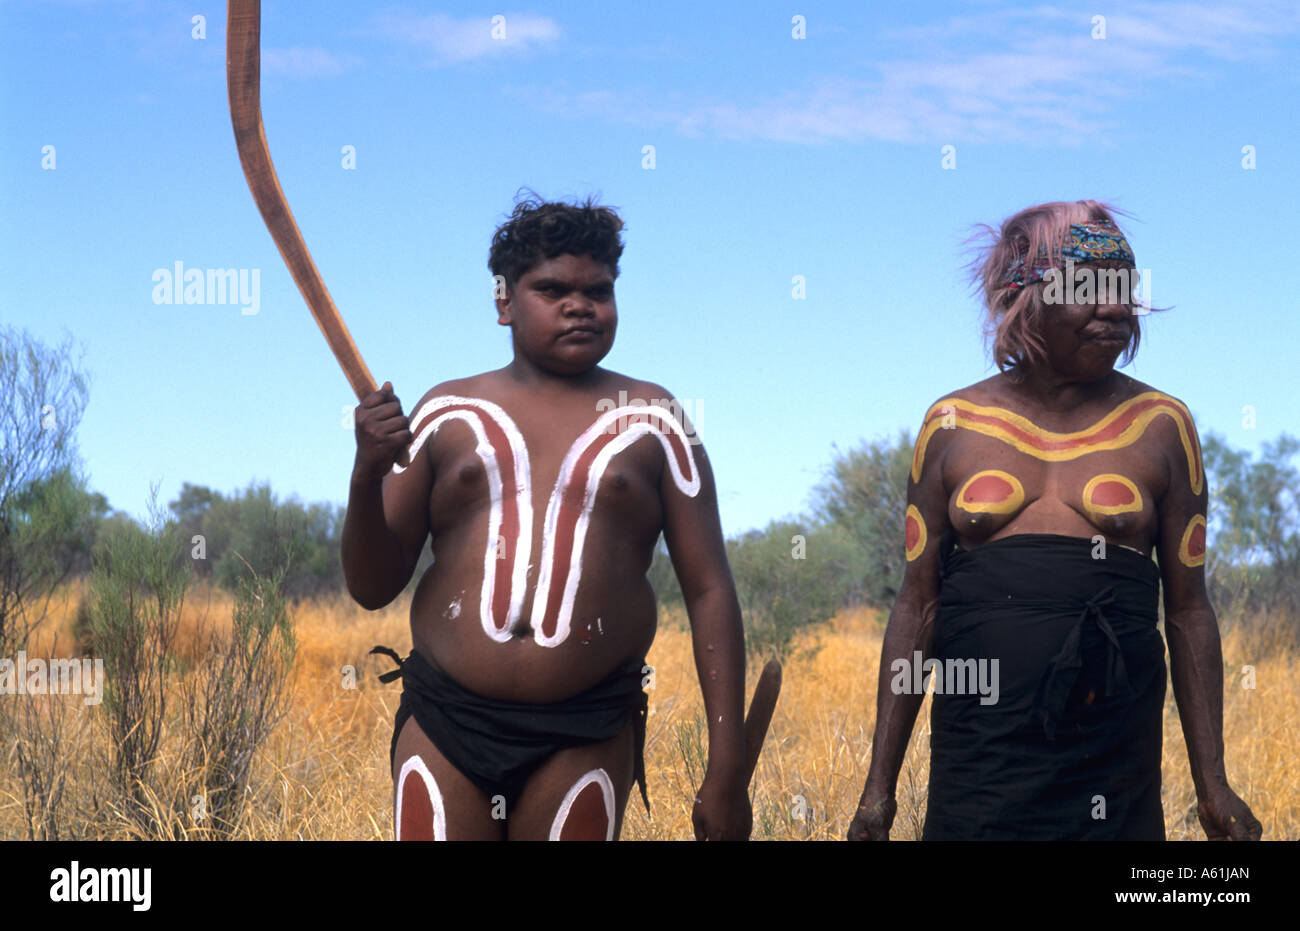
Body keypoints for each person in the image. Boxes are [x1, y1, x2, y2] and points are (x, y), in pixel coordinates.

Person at [341, 192, 751, 841]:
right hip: (447, 720)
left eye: (600, 289)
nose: (580, 304)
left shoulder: (657, 420)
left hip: (584, 726)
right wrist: (367, 472)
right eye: (553, 288)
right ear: (503, 302)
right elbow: (370, 586)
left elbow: (708, 588)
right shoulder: (445, 413)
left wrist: (727, 770)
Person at [848, 200, 1262, 841]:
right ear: (1028, 297)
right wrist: (878, 792)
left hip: (1111, 752)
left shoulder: (1162, 428)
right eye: (1090, 290)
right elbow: (918, 606)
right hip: (980, 756)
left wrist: (1214, 785)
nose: (1116, 309)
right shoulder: (952, 426)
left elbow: (1188, 611)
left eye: (1125, 291)